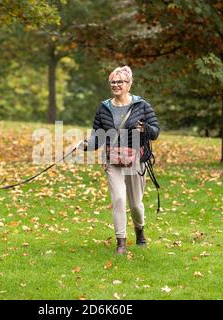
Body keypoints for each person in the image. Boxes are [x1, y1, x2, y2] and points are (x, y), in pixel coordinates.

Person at [79, 66, 160, 254]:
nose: (115, 85)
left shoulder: (142, 106)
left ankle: (139, 229)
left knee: (135, 204)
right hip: (112, 159)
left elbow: (155, 132)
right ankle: (121, 242)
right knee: (119, 199)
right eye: (113, 82)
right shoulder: (104, 107)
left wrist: (145, 128)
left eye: (120, 82)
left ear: (129, 84)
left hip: (135, 159)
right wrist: (86, 145)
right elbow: (97, 136)